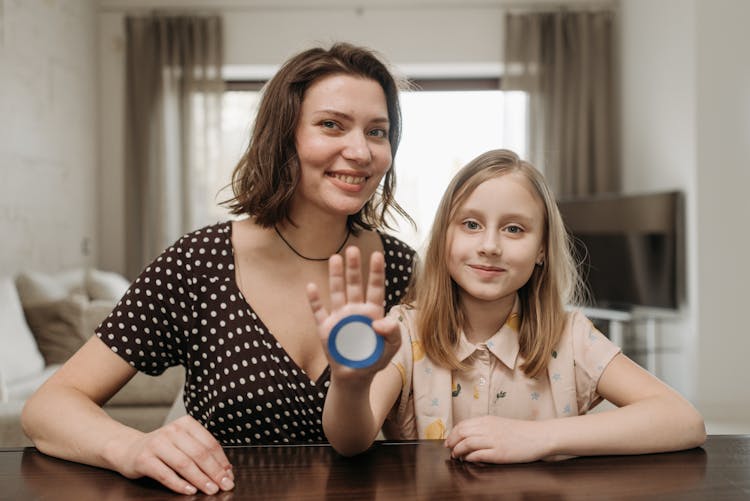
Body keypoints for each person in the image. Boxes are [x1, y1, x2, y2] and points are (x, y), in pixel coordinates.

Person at [22, 42, 416, 495]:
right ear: (284, 135)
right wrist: (130, 447)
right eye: (331, 125)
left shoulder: (402, 270)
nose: (361, 152)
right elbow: (47, 406)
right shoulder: (199, 263)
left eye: (377, 132)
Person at [307, 149, 706, 461]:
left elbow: (683, 421)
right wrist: (350, 383)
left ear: (541, 250)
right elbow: (350, 442)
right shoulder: (407, 331)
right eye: (471, 224)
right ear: (444, 237)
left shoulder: (570, 337)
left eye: (514, 229)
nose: (490, 245)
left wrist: (536, 438)